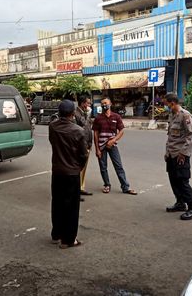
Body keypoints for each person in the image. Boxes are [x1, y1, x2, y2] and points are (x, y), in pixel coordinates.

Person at [49, 99, 88, 248]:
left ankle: (56, 233)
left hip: (57, 170)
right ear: (73, 113)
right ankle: (68, 239)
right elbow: (83, 155)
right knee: (71, 207)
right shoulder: (78, 130)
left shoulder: (53, 127)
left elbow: (53, 142)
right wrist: (78, 167)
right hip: (71, 173)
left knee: (57, 203)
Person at [164, 93, 192, 220]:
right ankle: (180, 203)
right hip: (171, 154)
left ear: (172, 103)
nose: (165, 106)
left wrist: (183, 153)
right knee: (173, 180)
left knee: (183, 182)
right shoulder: (172, 115)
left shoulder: (185, 115)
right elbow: (170, 136)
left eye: (166, 104)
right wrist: (167, 152)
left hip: (181, 155)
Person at [92, 97, 137, 195]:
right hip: (101, 146)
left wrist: (114, 140)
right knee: (103, 167)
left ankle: (125, 187)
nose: (104, 105)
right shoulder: (98, 118)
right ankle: (107, 185)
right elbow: (95, 134)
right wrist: (97, 149)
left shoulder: (116, 117)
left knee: (119, 166)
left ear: (110, 104)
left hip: (112, 145)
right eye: (102, 103)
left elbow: (121, 131)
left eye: (106, 103)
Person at [74, 95, 93, 199]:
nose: (89, 105)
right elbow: (76, 131)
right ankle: (76, 191)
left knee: (83, 169)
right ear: (82, 103)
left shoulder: (86, 113)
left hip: (87, 144)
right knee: (78, 168)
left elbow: (88, 128)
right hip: (80, 145)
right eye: (88, 103)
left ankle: (81, 187)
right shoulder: (76, 114)